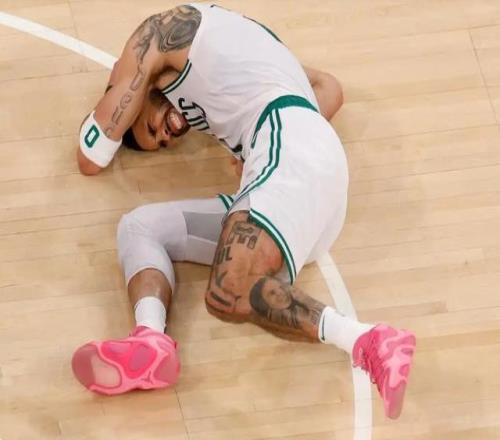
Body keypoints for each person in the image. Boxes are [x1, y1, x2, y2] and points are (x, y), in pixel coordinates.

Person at [72, 4, 416, 419]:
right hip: (301, 178)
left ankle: (368, 340)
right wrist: (257, 158)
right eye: (161, 144)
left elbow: (91, 157)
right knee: (139, 227)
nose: (166, 136)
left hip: (288, 146)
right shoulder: (243, 50)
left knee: (228, 291)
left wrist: (119, 88)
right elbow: (329, 87)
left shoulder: (163, 32)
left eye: (150, 127)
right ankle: (149, 339)